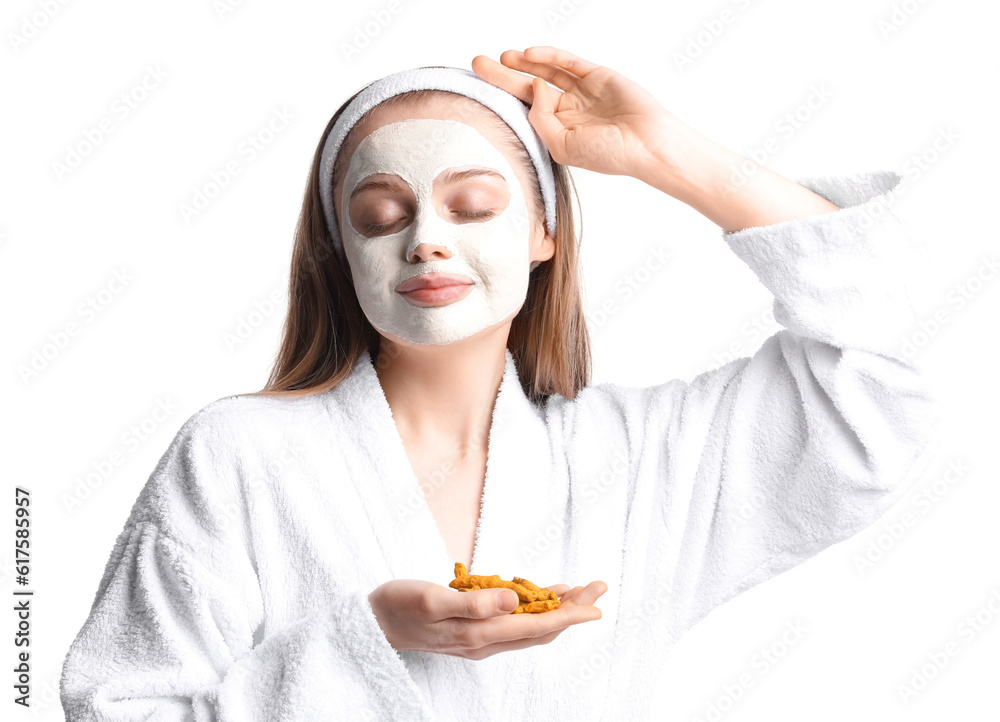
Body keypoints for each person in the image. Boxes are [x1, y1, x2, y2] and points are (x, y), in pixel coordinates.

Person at [60, 46, 942, 721]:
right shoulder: (239, 457)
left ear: (543, 232)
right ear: (340, 251)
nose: (426, 241)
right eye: (380, 215)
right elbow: (119, 707)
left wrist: (664, 153)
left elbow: (880, 367)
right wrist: (370, 642)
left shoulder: (643, 463)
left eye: (474, 207)